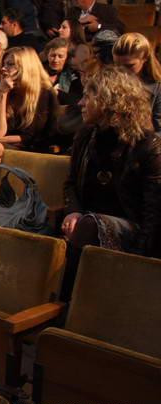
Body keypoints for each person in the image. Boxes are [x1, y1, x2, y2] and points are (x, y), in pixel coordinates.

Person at [61, 65, 161, 301]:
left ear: (109, 101)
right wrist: (73, 211)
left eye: (88, 96)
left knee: (89, 224)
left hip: (132, 230)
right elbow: (71, 183)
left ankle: (66, 302)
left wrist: (137, 261)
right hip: (87, 222)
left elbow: (154, 213)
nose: (80, 103)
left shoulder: (148, 145)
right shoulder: (86, 136)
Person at [111, 32, 161, 132]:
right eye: (117, 65)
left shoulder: (157, 89)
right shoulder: (108, 83)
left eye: (129, 66)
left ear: (145, 58)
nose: (122, 72)